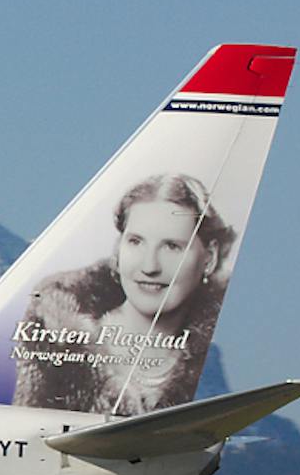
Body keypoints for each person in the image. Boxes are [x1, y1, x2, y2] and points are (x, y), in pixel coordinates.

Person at [12, 173, 237, 415]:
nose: (150, 266)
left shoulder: (204, 366)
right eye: (136, 242)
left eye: (172, 246)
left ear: (210, 258)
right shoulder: (58, 337)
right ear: (118, 250)